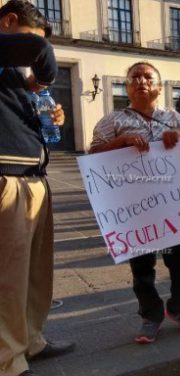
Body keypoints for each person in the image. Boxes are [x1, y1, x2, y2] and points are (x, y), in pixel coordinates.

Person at [89, 61, 180, 344]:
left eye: (148, 77)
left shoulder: (175, 118)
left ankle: (179, 308)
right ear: (127, 87)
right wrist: (121, 142)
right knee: (141, 266)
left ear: (159, 87)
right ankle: (151, 315)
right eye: (135, 77)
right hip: (134, 207)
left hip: (176, 205)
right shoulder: (111, 122)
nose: (141, 82)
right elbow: (93, 156)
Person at [0, 2, 76, 376]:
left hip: (35, 176)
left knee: (35, 273)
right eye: (30, 36)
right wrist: (39, 78)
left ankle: (31, 339)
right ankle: (7, 360)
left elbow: (48, 133)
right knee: (8, 279)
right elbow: (43, 54)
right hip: (7, 177)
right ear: (8, 22)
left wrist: (49, 115)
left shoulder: (14, 72)